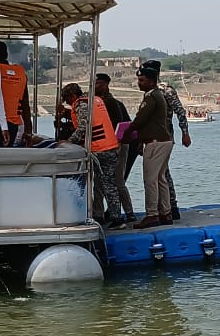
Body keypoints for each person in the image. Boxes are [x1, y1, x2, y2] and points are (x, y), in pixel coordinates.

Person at [60, 83, 126, 229]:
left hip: (98, 149)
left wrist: (69, 142)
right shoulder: (95, 100)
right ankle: (116, 218)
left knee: (88, 183)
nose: (69, 104)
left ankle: (90, 215)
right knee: (109, 184)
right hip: (111, 146)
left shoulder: (80, 105)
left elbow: (84, 126)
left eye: (68, 100)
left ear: (73, 96)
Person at [140, 61, 193, 218]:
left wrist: (185, 132)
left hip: (164, 134)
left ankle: (170, 206)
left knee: (162, 173)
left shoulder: (165, 90)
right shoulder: (151, 90)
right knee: (160, 173)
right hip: (155, 134)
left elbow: (180, 112)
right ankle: (165, 207)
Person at [130, 65, 174, 228]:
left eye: (142, 80)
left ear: (151, 81)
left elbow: (140, 120)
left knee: (150, 179)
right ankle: (165, 212)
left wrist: (127, 131)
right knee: (160, 178)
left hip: (155, 142)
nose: (139, 83)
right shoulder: (157, 95)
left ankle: (152, 214)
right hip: (165, 140)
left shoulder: (151, 97)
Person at [96, 73, 136, 222]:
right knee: (113, 182)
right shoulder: (106, 103)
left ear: (106, 85)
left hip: (116, 146)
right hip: (113, 146)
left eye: (99, 83)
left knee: (114, 181)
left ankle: (119, 213)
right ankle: (122, 212)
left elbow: (122, 126)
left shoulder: (110, 104)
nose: (96, 86)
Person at [0, 40, 32, 147]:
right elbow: (25, 104)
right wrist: (28, 130)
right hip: (14, 124)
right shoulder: (20, 72)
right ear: (6, 55)